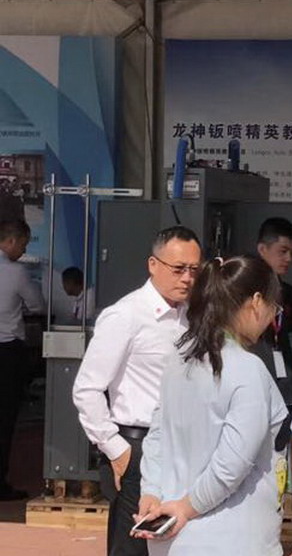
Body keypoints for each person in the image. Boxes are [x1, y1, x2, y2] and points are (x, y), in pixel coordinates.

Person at [135, 255, 288, 556]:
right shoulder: (248, 369)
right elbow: (232, 465)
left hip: (172, 539)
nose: (273, 316)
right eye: (275, 307)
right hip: (232, 538)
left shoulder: (180, 359)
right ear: (257, 301)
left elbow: (156, 437)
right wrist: (186, 508)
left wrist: (150, 492)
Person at [73, 226, 201, 556]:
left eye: (194, 269)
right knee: (132, 547)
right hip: (137, 446)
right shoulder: (126, 315)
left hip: (181, 446)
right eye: (179, 269)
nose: (187, 278)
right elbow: (87, 389)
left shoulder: (192, 316)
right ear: (153, 265)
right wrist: (117, 451)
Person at [0, 219, 44, 500]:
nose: (23, 251)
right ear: (12, 241)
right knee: (4, 419)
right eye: (24, 245)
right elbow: (37, 304)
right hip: (7, 351)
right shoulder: (16, 272)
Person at [254, 217, 292, 405]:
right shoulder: (245, 289)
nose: (289, 258)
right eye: (282, 251)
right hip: (255, 369)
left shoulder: (289, 293)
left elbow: (289, 329)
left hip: (283, 369)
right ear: (262, 249)